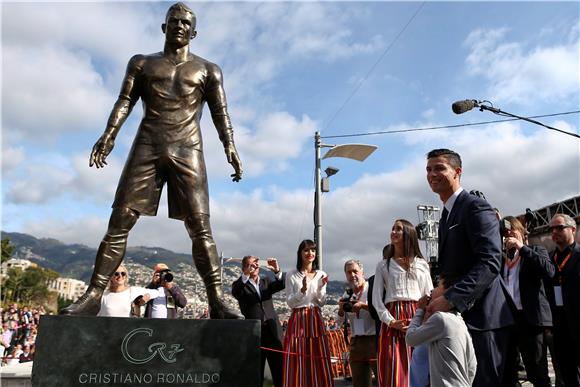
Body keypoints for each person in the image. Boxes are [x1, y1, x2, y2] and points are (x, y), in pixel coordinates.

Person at [60, 2, 243, 319]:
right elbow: (125, 100)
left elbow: (220, 113)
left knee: (200, 226)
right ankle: (93, 295)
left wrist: (230, 145)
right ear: (164, 27)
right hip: (147, 144)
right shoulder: (142, 63)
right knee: (120, 220)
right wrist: (109, 134)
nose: (180, 26)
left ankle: (216, 300)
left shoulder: (208, 70)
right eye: (174, 21)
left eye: (186, 23)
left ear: (194, 32)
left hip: (189, 148)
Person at [425, 148, 514, 387]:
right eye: (429, 169)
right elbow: (455, 267)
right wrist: (438, 291)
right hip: (462, 318)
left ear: (457, 172)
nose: (432, 174)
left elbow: (489, 262)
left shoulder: (475, 207)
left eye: (439, 168)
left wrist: (450, 298)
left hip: (485, 320)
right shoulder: (445, 216)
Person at [372, 220, 433, 387]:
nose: (393, 231)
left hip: (418, 317)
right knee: (394, 369)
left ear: (408, 233)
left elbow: (429, 293)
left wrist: (424, 318)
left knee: (421, 367)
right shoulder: (383, 265)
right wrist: (391, 321)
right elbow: (377, 300)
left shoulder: (421, 264)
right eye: (392, 228)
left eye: (398, 229)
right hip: (393, 320)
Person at [501, 216, 554, 387]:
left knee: (538, 372)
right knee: (516, 370)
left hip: (532, 320)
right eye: (505, 232)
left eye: (512, 230)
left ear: (522, 233)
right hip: (511, 320)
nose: (509, 235)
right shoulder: (503, 259)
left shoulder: (535, 250)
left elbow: (549, 271)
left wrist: (522, 248)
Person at [406, 273, 477, 387]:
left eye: (438, 285)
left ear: (448, 292)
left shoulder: (440, 319)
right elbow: (472, 366)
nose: (432, 290)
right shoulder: (460, 321)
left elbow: (410, 338)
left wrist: (419, 310)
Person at [282, 239, 333, 387]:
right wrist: (302, 291)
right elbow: (290, 302)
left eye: (312, 250)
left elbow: (322, 302)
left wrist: (319, 287)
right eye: (306, 250)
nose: (310, 253)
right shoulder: (291, 274)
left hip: (315, 316)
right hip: (298, 318)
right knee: (297, 354)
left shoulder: (321, 274)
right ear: (300, 253)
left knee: (319, 354)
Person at [232, 256, 285, 387]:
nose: (255, 267)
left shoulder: (265, 282)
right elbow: (235, 292)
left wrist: (277, 270)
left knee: (280, 372)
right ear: (244, 268)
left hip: (273, 332)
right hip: (255, 334)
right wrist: (245, 274)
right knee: (256, 373)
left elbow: (281, 284)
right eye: (250, 265)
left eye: (256, 264)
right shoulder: (240, 285)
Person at [546, 213, 580, 387]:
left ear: (573, 229)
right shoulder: (549, 259)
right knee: (567, 374)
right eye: (552, 228)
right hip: (559, 327)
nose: (554, 231)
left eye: (559, 227)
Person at [337, 259, 377, 387]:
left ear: (362, 273)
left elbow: (380, 311)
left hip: (374, 340)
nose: (352, 275)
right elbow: (339, 322)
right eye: (349, 273)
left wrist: (363, 306)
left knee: (383, 379)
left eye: (355, 271)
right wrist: (341, 310)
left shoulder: (371, 289)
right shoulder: (347, 294)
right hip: (356, 342)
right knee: (359, 383)